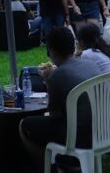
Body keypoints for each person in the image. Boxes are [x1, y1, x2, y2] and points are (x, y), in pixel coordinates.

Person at [19, 27, 101, 173]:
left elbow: (54, 115)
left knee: (25, 125)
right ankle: (64, 162)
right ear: (73, 45)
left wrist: (48, 80)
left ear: (53, 51)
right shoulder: (90, 64)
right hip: (104, 130)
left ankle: (51, 167)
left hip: (80, 137)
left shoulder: (58, 75)